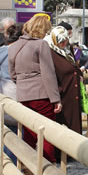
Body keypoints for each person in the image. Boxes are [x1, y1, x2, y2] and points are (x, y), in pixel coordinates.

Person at [8, 14, 62, 163]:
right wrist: (56, 99)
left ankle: (27, 164)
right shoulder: (41, 44)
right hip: (42, 94)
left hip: (23, 95)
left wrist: (23, 85)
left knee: (29, 133)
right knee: (46, 132)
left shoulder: (15, 46)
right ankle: (48, 166)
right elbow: (48, 74)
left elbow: (12, 73)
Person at [0, 24, 23, 163]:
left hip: (2, 96)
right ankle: (11, 167)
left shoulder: (0, 52)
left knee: (6, 134)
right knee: (17, 136)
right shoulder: (17, 52)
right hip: (16, 97)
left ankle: (4, 164)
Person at [44, 26, 83, 134]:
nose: (64, 43)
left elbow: (73, 66)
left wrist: (79, 73)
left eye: (66, 40)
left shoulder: (67, 50)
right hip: (61, 98)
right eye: (61, 41)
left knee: (75, 130)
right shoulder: (49, 51)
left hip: (72, 96)